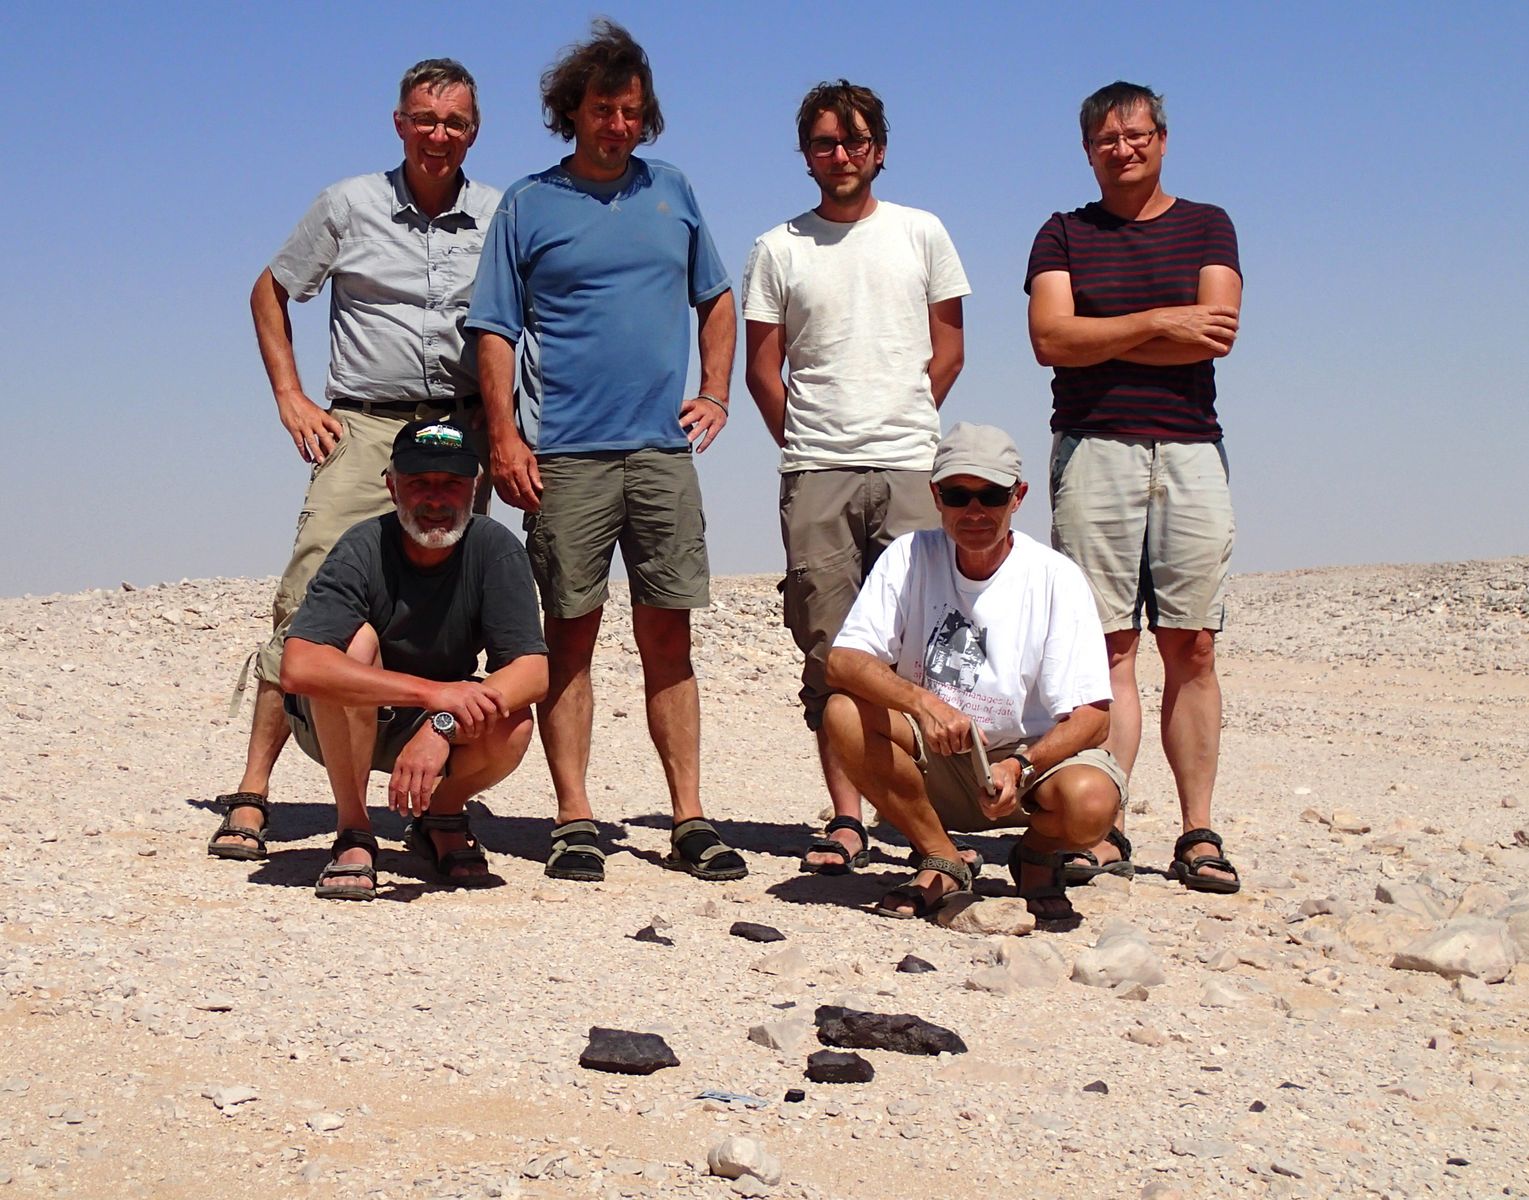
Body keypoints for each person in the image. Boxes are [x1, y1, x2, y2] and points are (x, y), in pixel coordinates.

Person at [465, 20, 744, 882]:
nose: (616, 125)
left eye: (630, 111)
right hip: (566, 455)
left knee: (669, 638)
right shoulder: (528, 203)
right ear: (570, 111)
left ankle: (688, 817)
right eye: (601, 109)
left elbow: (716, 297)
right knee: (569, 638)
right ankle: (573, 815)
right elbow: (493, 329)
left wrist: (715, 390)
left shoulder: (673, 191)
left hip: (661, 452)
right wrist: (505, 437)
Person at [207, 59, 502, 863]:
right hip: (366, 426)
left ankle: (434, 803)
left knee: (448, 603)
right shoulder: (349, 204)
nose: (438, 135)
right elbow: (270, 289)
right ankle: (252, 791)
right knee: (308, 600)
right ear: (399, 123)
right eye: (424, 119)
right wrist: (290, 397)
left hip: (461, 431)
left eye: (455, 122)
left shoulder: (500, 214)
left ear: (474, 130)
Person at [742, 80, 969, 875]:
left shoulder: (921, 232)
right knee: (829, 646)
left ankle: (918, 812)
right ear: (804, 155)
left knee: (918, 644)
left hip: (909, 465)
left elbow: (949, 350)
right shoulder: (778, 247)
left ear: (879, 149)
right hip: (817, 470)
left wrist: (902, 420)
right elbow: (762, 370)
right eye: (824, 143)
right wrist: (809, 442)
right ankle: (846, 818)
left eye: (854, 141)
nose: (840, 155)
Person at [1024, 80, 1243, 893]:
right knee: (1107, 647)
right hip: (1093, 449)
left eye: (1136, 134)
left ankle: (1196, 832)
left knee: (1191, 645)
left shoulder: (1207, 224)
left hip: (1188, 450)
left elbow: (1214, 333)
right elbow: (1050, 338)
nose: (1123, 149)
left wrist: (1104, 335)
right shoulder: (1063, 233)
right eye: (1106, 139)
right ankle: (1104, 827)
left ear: (1162, 139)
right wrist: (1158, 321)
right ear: (1088, 151)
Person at [823, 424, 1125, 926]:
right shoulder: (909, 555)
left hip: (1025, 765)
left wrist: (1021, 766)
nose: (975, 511)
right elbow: (843, 661)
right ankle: (941, 858)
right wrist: (927, 705)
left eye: (992, 496)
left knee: (1092, 800)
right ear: (936, 497)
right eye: (958, 495)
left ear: (1018, 497)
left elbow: (1094, 716)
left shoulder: (1055, 577)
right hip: (935, 752)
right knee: (843, 712)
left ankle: (1037, 855)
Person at [279, 419, 548, 899]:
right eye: (419, 483)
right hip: (343, 720)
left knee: (514, 722)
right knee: (355, 643)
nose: (436, 500)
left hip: (433, 722)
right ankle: (354, 831)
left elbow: (532, 671)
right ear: (392, 487)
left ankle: (440, 815)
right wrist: (432, 695)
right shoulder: (362, 546)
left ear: (474, 487)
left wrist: (441, 723)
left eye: (451, 484)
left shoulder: (494, 548)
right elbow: (299, 667)